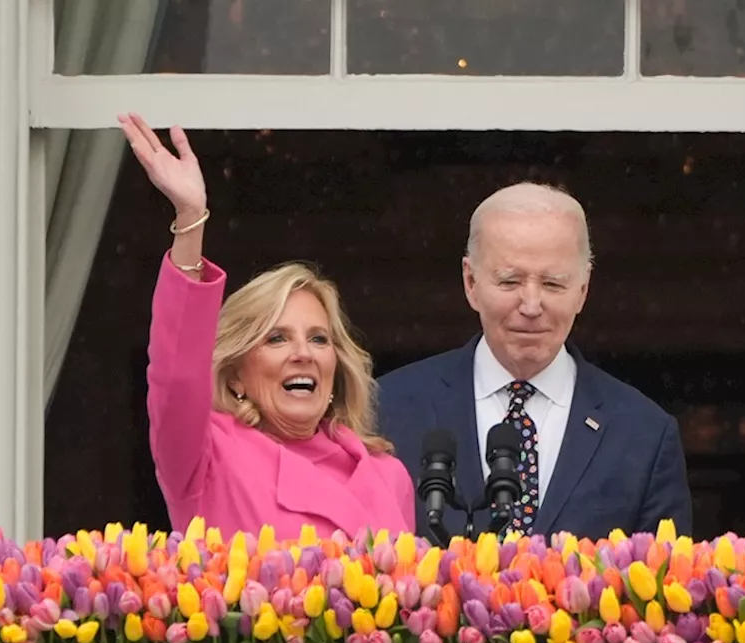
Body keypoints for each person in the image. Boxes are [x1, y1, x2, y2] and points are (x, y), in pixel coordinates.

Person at [120, 112, 414, 539]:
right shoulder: (209, 457)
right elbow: (177, 373)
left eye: (319, 338)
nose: (303, 353)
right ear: (236, 372)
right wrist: (190, 219)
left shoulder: (388, 477)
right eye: (277, 338)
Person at [376, 182, 692, 541]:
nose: (530, 305)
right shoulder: (388, 410)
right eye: (509, 281)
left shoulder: (643, 435)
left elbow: (669, 587)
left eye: (553, 284)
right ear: (470, 282)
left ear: (583, 291)